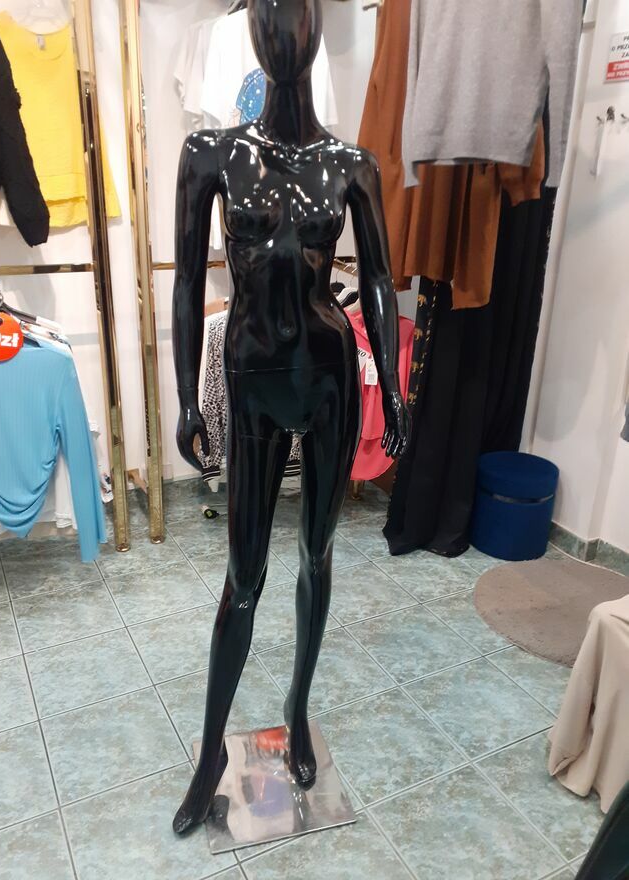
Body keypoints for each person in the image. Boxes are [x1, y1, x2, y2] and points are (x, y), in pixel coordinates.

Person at [171, 0, 409, 835]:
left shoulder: (352, 164)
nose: (282, 27)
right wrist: (184, 396)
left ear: (315, 28)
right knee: (244, 578)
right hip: (250, 376)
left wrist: (395, 391)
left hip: (329, 376)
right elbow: (185, 282)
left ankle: (297, 710)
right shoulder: (211, 154)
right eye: (268, 11)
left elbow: (377, 281)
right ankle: (209, 755)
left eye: (298, 12)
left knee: (317, 552)